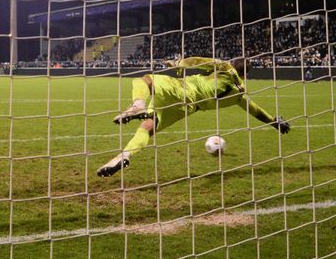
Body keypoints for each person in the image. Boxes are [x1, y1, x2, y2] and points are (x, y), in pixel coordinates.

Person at [97, 57, 291, 177]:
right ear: (245, 74)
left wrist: (179, 63)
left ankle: (137, 106)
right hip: (189, 108)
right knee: (149, 126)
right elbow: (255, 110)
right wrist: (275, 122)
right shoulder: (239, 94)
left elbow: (198, 61)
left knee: (145, 81)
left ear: (233, 64)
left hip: (185, 89)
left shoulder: (225, 67)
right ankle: (124, 156)